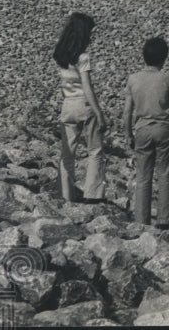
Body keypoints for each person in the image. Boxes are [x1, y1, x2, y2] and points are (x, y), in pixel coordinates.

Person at [53, 12, 107, 203]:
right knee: (95, 150)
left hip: (67, 105)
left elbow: (62, 85)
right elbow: (87, 87)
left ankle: (65, 195)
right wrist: (99, 113)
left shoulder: (61, 56)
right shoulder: (83, 57)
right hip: (84, 104)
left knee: (67, 154)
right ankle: (92, 194)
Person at [123, 37, 169, 229]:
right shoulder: (168, 79)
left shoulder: (133, 79)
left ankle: (141, 220)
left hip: (142, 129)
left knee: (143, 176)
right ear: (164, 58)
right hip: (163, 129)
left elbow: (127, 111)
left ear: (143, 56)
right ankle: (164, 220)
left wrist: (127, 134)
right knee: (165, 174)